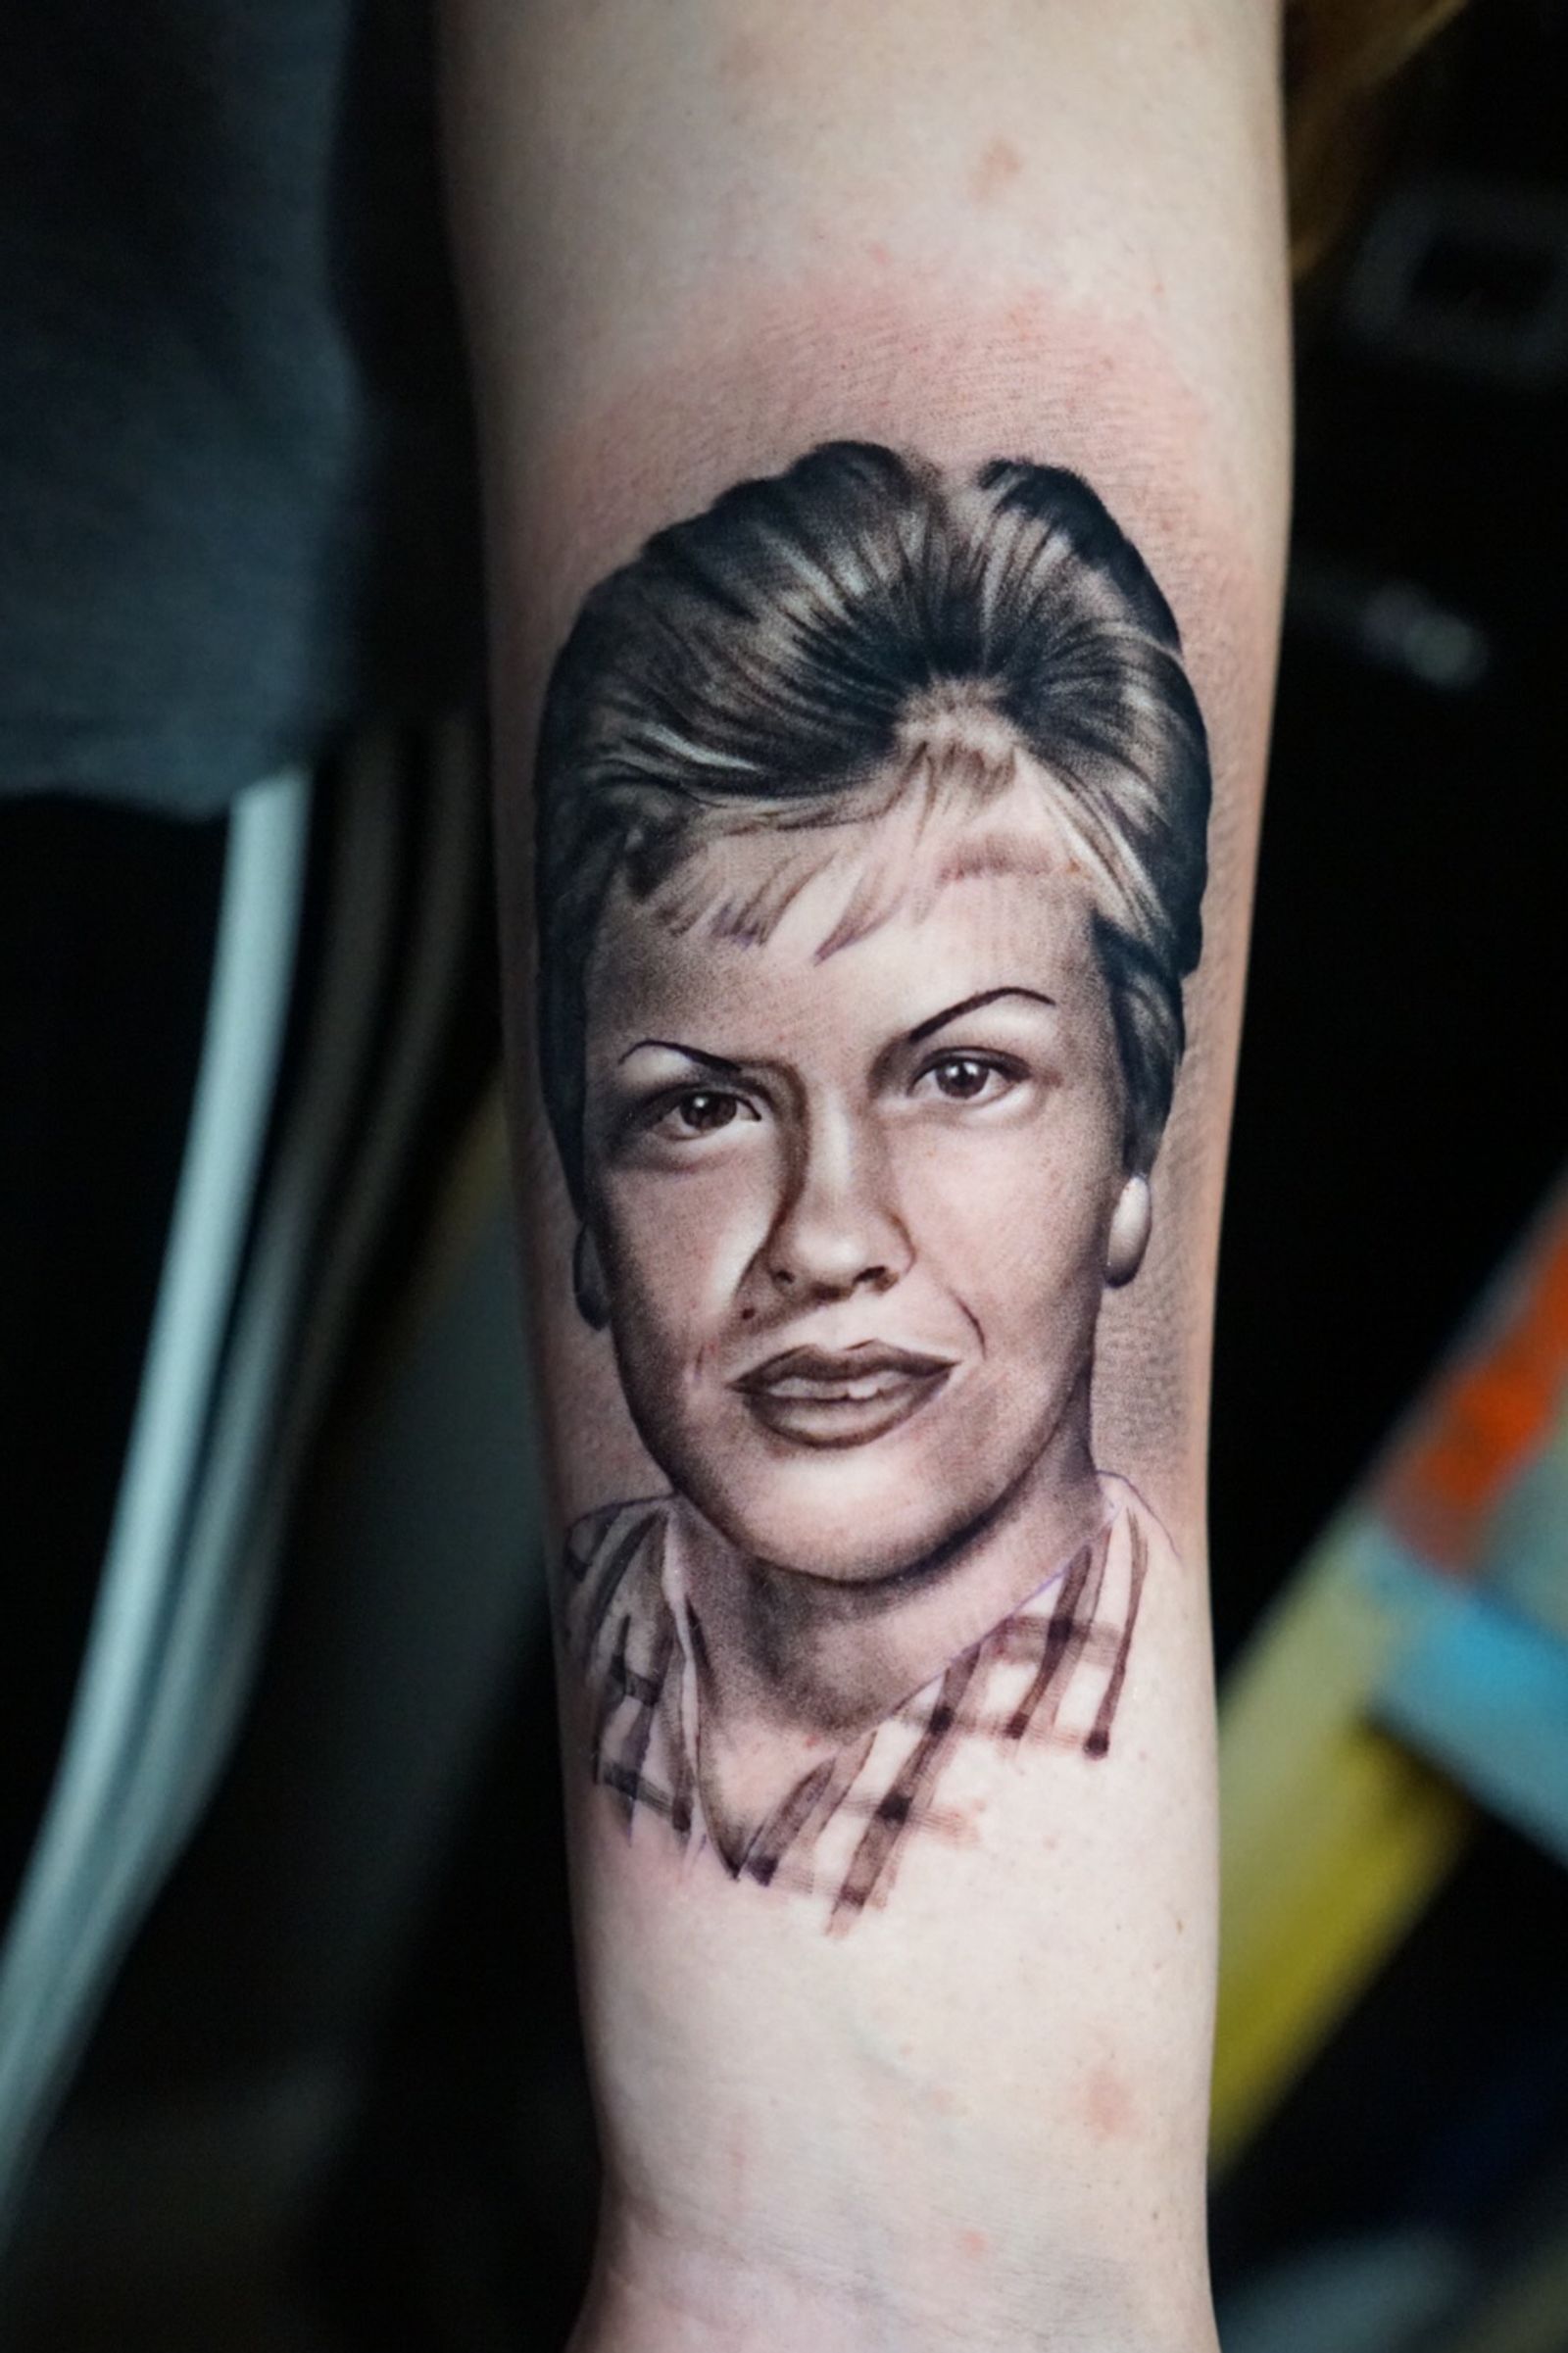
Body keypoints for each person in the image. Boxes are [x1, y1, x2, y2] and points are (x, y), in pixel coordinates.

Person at [534, 443, 1211, 1929]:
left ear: (1132, 1149)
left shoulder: (1084, 1812)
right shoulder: (588, 1627)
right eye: (703, 1107)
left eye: (962, 1075)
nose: (828, 1238)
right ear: (584, 1198)